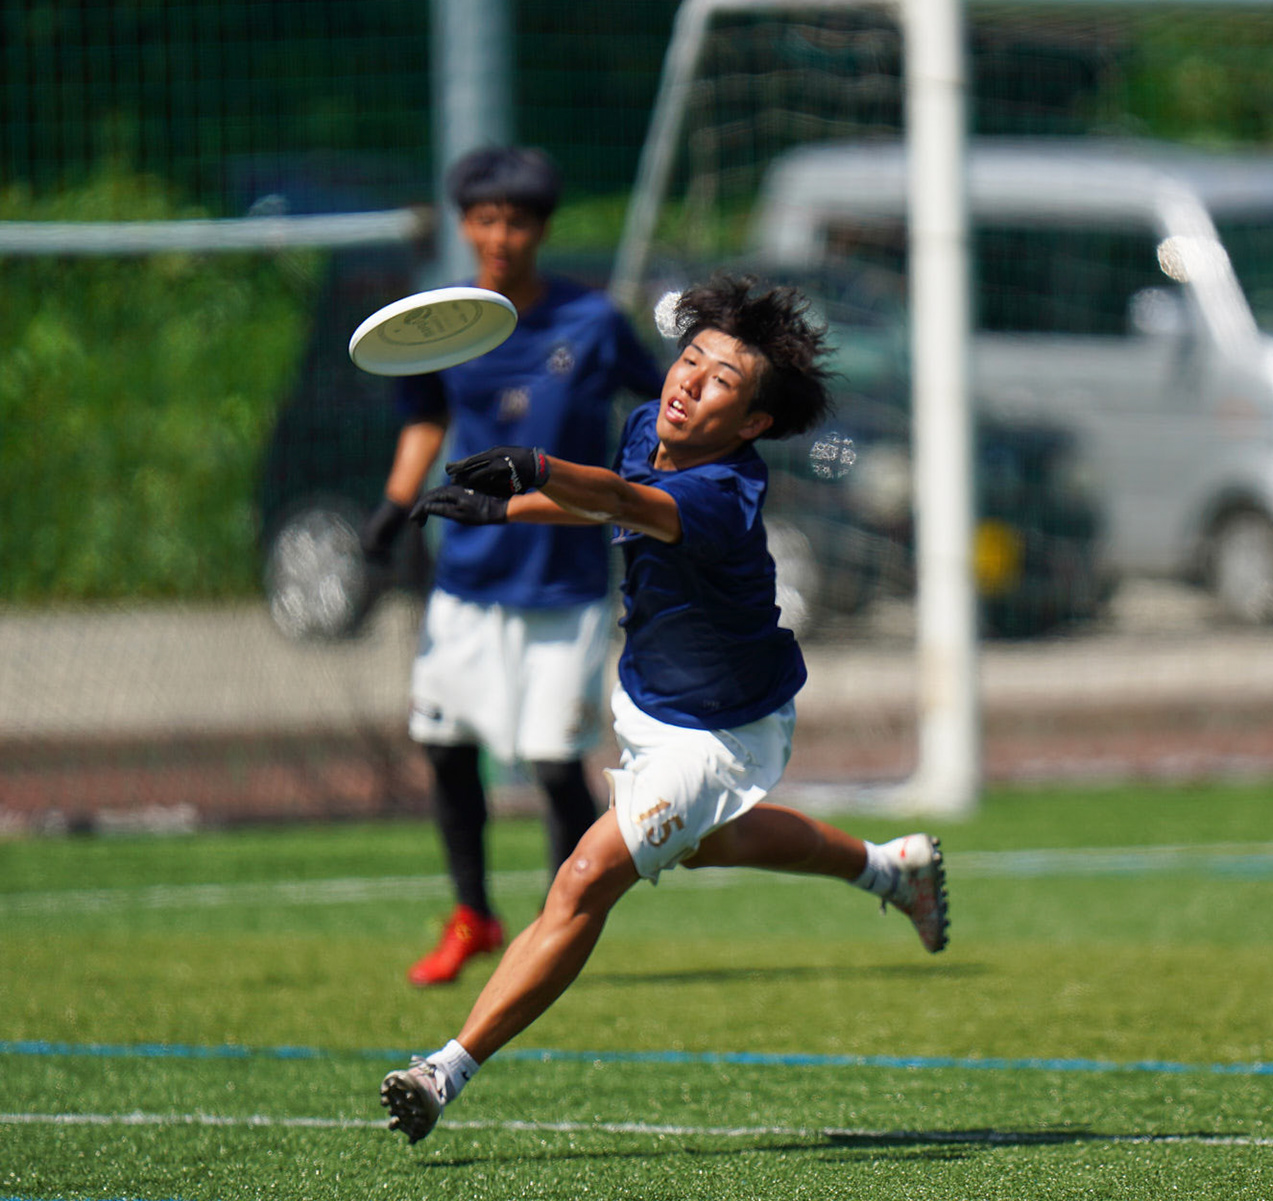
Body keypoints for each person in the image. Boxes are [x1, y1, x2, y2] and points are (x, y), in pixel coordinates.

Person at [379, 273, 950, 1143]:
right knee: (713, 842)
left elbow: (620, 499)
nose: (689, 383)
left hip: (723, 730)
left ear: (753, 421)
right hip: (654, 702)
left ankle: (442, 1071)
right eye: (691, 359)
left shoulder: (723, 493)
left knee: (584, 877)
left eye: (722, 380)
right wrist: (505, 508)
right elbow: (604, 497)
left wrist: (537, 466)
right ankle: (889, 868)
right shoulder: (650, 424)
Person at [362, 146, 662, 987]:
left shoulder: (591, 322)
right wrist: (393, 505)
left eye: (518, 221)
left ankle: (559, 928)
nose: (501, 236)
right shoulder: (445, 324)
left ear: (543, 228)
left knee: (556, 763)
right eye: (485, 219)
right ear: (464, 225)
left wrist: (645, 492)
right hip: (467, 577)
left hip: (564, 583)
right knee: (444, 743)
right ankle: (474, 916)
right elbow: (426, 417)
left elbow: (656, 410)